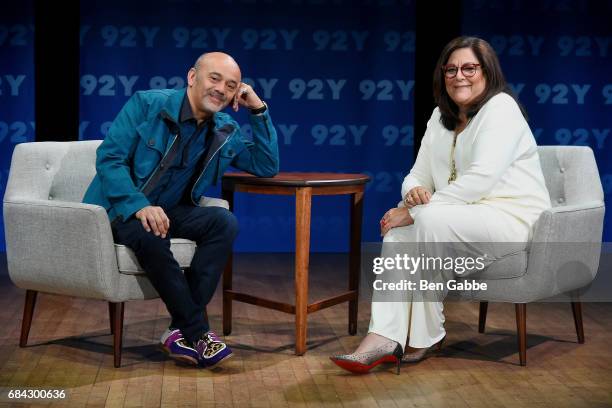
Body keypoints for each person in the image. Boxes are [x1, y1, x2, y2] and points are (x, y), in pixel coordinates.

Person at [330, 36, 551, 374]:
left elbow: (481, 178)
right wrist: (414, 192)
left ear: (487, 72)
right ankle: (384, 337)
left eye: (469, 68)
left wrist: (415, 210)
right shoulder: (439, 117)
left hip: (513, 219)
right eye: (451, 69)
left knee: (423, 221)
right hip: (461, 214)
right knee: (399, 233)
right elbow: (416, 174)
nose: (459, 76)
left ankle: (426, 334)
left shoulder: (501, 108)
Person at [83, 52, 279, 368]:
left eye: (230, 86)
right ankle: (197, 332)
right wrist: (139, 206)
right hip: (120, 209)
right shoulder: (147, 104)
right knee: (150, 232)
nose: (221, 89)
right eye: (214, 78)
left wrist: (257, 108)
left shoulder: (224, 129)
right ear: (192, 77)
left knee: (224, 222)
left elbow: (266, 165)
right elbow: (110, 159)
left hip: (171, 210)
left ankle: (177, 331)